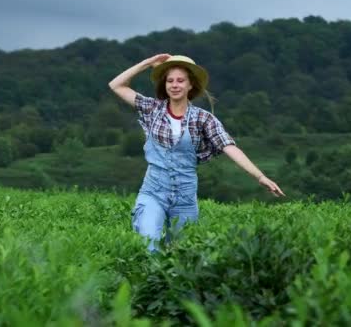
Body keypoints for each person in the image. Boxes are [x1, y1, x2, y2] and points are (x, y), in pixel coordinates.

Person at [108, 54, 285, 252]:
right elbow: (116, 85)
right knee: (149, 243)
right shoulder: (152, 109)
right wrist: (147, 63)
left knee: (181, 253)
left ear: (191, 85)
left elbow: (229, 147)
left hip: (185, 196)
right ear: (164, 84)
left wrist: (260, 176)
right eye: (170, 80)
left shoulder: (203, 119)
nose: (175, 85)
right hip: (153, 191)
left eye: (180, 80)